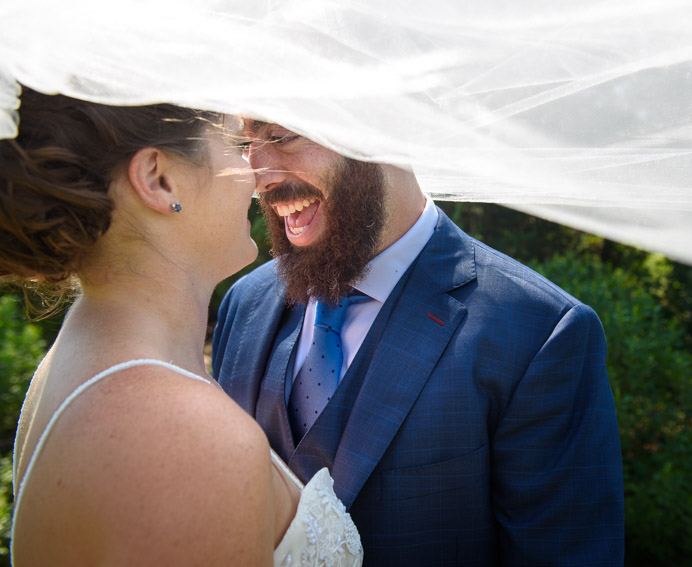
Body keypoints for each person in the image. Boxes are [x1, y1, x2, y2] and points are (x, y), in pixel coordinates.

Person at [212, 120, 625, 565]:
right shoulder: (244, 303)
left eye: (281, 137)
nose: (256, 177)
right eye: (246, 143)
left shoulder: (541, 332)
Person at [1, 87, 363, 566]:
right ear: (159, 180)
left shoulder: (83, 354)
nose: (258, 177)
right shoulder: (188, 439)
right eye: (236, 147)